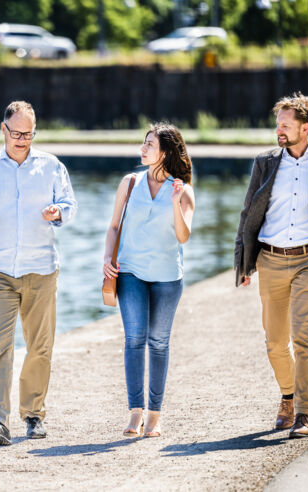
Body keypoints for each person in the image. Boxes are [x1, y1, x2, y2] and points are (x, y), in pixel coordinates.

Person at [234, 92, 308, 438]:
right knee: (275, 342)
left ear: (305, 127)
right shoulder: (266, 162)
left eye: (285, 124)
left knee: (304, 338)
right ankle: (287, 397)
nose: (279, 130)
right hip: (270, 260)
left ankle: (304, 412)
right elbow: (248, 214)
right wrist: (243, 262)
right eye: (277, 124)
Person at [0, 101, 77, 446]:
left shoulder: (51, 166)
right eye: (16, 133)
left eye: (28, 133)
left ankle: (34, 415)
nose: (22, 139)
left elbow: (70, 205)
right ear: (3, 129)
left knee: (40, 346)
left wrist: (58, 213)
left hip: (41, 269)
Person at [103, 124, 195, 438]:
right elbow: (114, 226)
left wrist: (175, 202)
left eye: (150, 145)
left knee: (158, 343)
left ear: (166, 152)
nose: (143, 149)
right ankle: (135, 412)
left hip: (168, 278)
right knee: (134, 338)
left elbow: (183, 236)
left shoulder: (183, 190)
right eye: (143, 144)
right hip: (130, 273)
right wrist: (107, 260)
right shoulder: (129, 183)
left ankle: (154, 415)